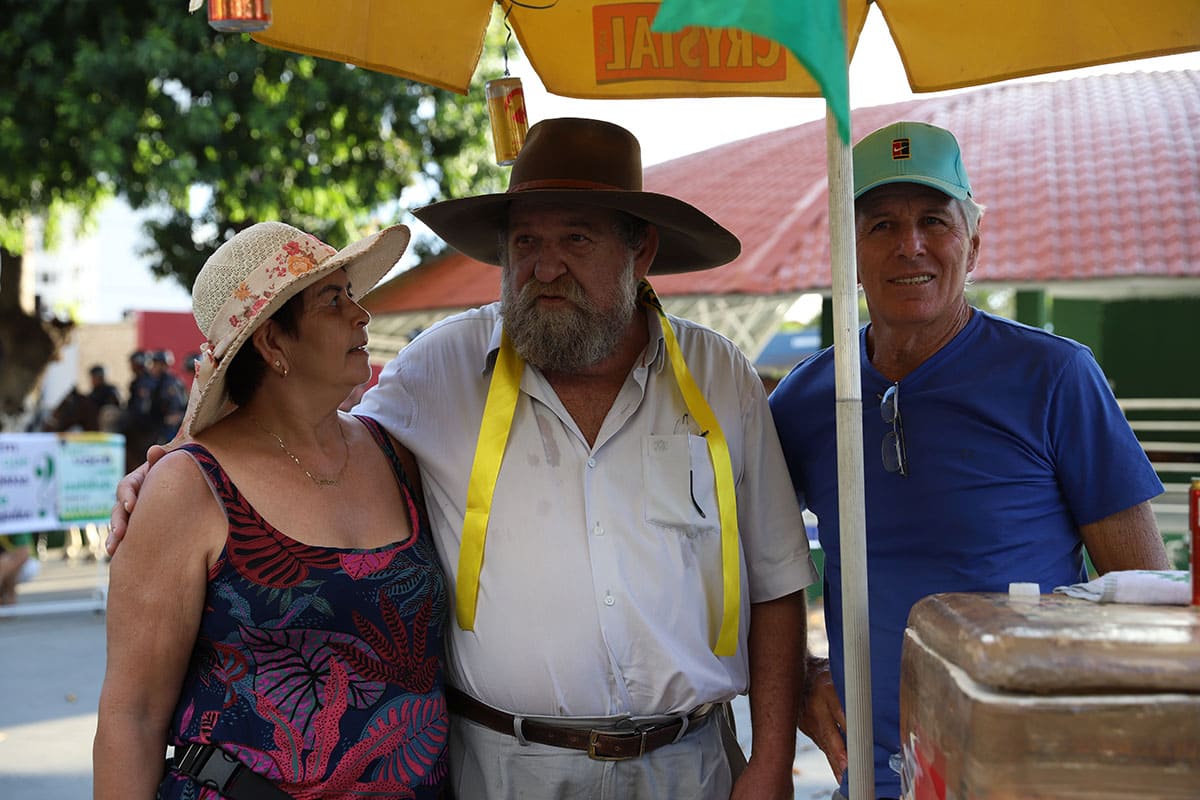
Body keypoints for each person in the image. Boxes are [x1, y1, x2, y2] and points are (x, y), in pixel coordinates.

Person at [111, 117, 819, 800]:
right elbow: (290, 432)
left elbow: (776, 580)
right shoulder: (440, 367)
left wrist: (772, 762)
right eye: (525, 242)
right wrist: (172, 466)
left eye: (575, 238)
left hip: (691, 765)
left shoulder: (721, 377)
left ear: (641, 252)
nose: (545, 267)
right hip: (504, 769)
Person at [769, 120, 1171, 800]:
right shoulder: (807, 399)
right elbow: (757, 574)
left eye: (935, 220)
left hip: (1026, 770)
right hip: (870, 776)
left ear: (974, 242)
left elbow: (1146, 595)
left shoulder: (1054, 377)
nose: (911, 246)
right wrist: (804, 673)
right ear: (850, 252)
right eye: (881, 226)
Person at [94, 221, 450, 799]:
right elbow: (129, 717)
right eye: (332, 301)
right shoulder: (188, 488)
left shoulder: (394, 453)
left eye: (352, 295)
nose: (361, 316)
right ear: (272, 343)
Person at [147, 349, 188, 444]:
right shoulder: (155, 381)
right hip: (157, 421)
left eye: (156, 364)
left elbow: (177, 407)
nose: (154, 367)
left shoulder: (171, 383)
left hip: (170, 425)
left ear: (164, 365)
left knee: (165, 443)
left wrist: (173, 417)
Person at [87, 364, 123, 432]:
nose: (92, 380)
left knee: (107, 413)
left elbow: (118, 404)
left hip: (111, 421)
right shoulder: (94, 392)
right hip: (96, 421)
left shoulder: (111, 389)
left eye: (94, 377)